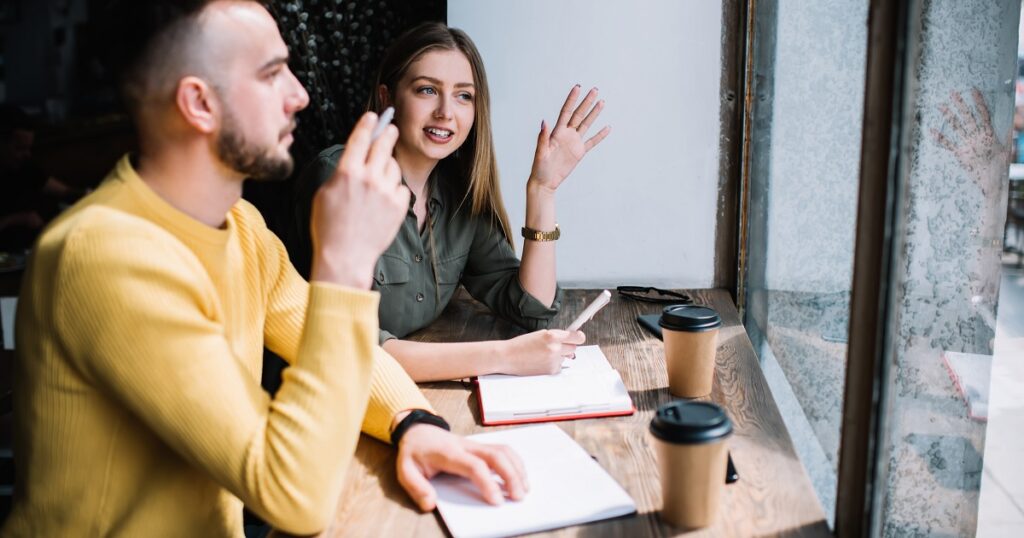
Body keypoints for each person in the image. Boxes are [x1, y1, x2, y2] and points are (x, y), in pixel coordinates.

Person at [1, 2, 526, 536]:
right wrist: (344, 260)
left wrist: (413, 422)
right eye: (272, 74)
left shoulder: (242, 226)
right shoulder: (106, 254)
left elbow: (341, 346)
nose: (299, 95)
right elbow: (296, 497)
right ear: (200, 103)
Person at [293, 22, 611, 382]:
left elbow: (531, 308)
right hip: (323, 389)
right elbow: (352, 348)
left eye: (464, 96)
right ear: (387, 98)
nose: (446, 111)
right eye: (427, 90)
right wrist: (505, 356)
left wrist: (543, 190)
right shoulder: (341, 178)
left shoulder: (458, 191)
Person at [0, 105, 84, 251]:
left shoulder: (25, 167)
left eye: (28, 148)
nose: (27, 154)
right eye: (19, 148)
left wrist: (89, 195)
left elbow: (63, 191)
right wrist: (19, 219)